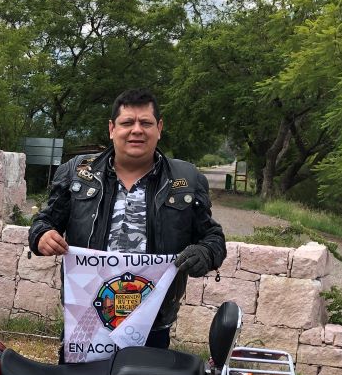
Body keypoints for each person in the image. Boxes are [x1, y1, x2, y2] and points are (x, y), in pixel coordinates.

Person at [28, 88, 226, 349]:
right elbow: (44, 222)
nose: (136, 130)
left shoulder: (187, 179)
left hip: (152, 323)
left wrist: (205, 253)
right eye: (127, 122)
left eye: (146, 123)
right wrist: (42, 236)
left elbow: (213, 238)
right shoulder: (77, 173)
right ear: (112, 128)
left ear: (159, 128)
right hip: (87, 318)